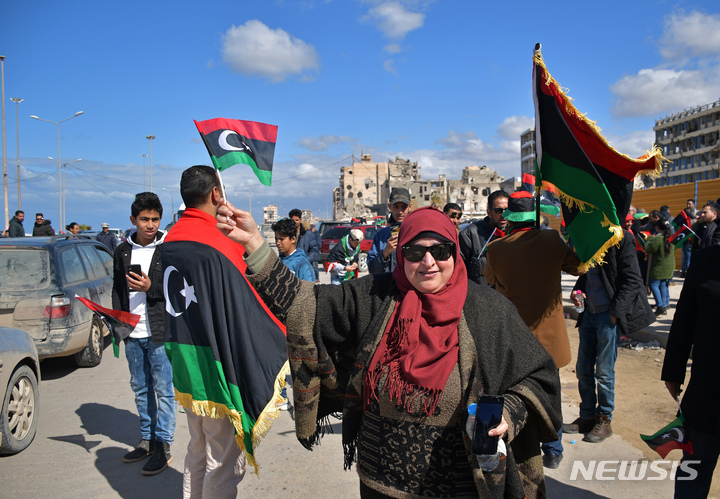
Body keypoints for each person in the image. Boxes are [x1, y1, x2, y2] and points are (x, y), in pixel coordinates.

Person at [217, 203, 561, 498]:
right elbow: (303, 305)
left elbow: (537, 376)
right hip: (381, 483)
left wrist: (508, 414)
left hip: (463, 485)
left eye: (441, 251)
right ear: (401, 254)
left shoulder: (489, 311)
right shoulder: (374, 297)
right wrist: (254, 243)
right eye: (414, 252)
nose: (428, 262)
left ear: (455, 253)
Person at [163, 166, 288, 497]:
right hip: (217, 367)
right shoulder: (218, 242)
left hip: (187, 363)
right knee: (223, 460)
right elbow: (255, 302)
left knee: (197, 449)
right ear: (216, 194)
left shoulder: (171, 238)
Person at [483, 191, 585, 470]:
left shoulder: (496, 249)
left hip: (513, 338)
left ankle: (518, 445)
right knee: (550, 392)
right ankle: (553, 449)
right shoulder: (552, 240)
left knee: (514, 392)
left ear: (510, 218)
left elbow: (490, 281)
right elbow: (578, 266)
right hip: (549, 339)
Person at [563, 227, 655, 443]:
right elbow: (586, 276)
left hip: (607, 316)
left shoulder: (621, 238)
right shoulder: (588, 237)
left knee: (604, 372)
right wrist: (577, 292)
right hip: (588, 314)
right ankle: (586, 416)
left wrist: (614, 313)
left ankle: (604, 420)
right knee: (583, 369)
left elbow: (633, 281)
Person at [112, 192, 175, 476]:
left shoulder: (168, 248)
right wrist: (118, 324)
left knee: (163, 391)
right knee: (140, 388)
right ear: (133, 220)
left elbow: (179, 290)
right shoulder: (122, 251)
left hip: (159, 331)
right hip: (132, 332)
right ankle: (147, 440)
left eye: (155, 219)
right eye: (144, 219)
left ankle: (163, 444)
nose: (150, 225)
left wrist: (152, 287)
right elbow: (117, 289)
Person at [662, 244, 720, 498]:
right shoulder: (706, 259)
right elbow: (685, 317)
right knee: (694, 470)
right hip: (708, 391)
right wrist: (673, 370)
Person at [458, 189, 509, 285]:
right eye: (498, 211)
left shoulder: (514, 233)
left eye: (507, 210)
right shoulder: (470, 234)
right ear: (489, 212)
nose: (504, 215)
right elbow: (460, 271)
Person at [367, 187, 412, 274]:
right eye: (396, 207)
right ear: (389, 206)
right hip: (387, 286)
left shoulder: (416, 232)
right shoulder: (381, 236)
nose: (400, 211)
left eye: (403, 207)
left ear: (409, 207)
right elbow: (372, 270)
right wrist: (385, 253)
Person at [645, 219, 675, 316]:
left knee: (654, 285)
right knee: (663, 284)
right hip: (669, 267)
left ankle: (660, 306)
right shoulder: (671, 238)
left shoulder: (657, 239)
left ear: (657, 228)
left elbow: (648, 249)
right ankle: (665, 304)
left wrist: (649, 238)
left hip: (658, 267)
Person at [272, 218, 315, 283]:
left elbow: (309, 291)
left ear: (293, 239)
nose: (278, 243)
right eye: (276, 239)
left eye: (281, 239)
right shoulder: (277, 262)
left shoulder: (303, 265)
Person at [289, 208, 319, 272]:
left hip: (304, 267)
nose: (294, 222)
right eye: (292, 220)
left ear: (300, 220)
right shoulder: (287, 234)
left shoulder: (308, 234)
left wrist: (306, 260)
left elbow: (314, 250)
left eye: (296, 220)